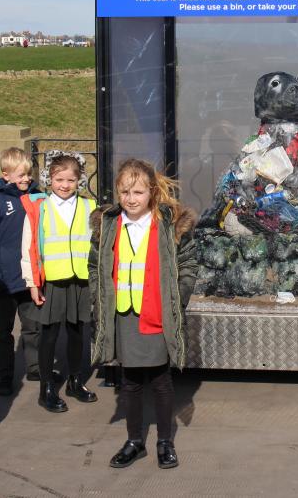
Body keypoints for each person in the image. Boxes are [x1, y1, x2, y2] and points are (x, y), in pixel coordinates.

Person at [88, 158, 199, 470]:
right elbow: (94, 267)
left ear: (151, 192)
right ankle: (134, 441)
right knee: (131, 382)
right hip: (125, 315)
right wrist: (97, 302)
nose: (130, 199)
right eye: (124, 192)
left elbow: (188, 265)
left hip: (157, 313)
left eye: (137, 192)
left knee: (161, 382)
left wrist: (178, 299)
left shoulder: (168, 224)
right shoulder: (108, 224)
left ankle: (165, 441)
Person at [21, 151, 98, 412]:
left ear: (80, 181)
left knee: (78, 333)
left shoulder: (89, 207)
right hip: (53, 280)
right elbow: (29, 246)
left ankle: (76, 380)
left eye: (71, 180)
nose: (65, 185)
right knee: (50, 335)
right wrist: (32, 282)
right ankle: (46, 388)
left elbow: (97, 245)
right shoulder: (39, 207)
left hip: (80, 279)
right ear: (49, 180)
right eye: (59, 179)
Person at [0, 147, 43, 396]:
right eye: (20, 175)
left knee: (33, 326)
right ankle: (5, 375)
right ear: (6, 175)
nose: (26, 179)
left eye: (28, 174)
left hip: (30, 279)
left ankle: (35, 367)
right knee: (3, 331)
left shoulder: (38, 197)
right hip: (5, 280)